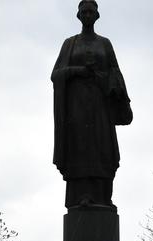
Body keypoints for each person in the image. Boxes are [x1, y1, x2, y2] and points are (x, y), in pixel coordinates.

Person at [51, 0, 132, 209]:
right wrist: (78, 71)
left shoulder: (105, 44)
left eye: (91, 12)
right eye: (84, 12)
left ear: (97, 15)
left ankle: (103, 196)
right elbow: (55, 75)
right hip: (77, 107)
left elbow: (116, 73)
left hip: (100, 106)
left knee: (102, 148)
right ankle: (81, 195)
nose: (87, 15)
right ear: (78, 15)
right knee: (80, 148)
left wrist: (105, 79)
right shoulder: (70, 43)